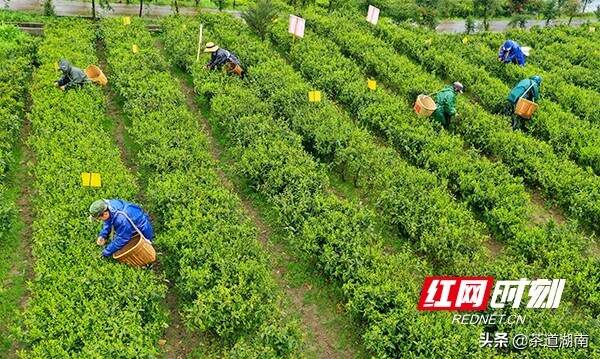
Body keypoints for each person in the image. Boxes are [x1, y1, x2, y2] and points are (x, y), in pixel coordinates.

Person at [89, 199, 154, 258]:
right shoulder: (109, 206)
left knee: (142, 253)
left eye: (100, 218)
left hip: (141, 229)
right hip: (131, 220)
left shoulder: (121, 219)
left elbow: (122, 238)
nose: (101, 220)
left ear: (105, 214)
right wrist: (103, 235)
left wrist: (105, 252)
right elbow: (108, 220)